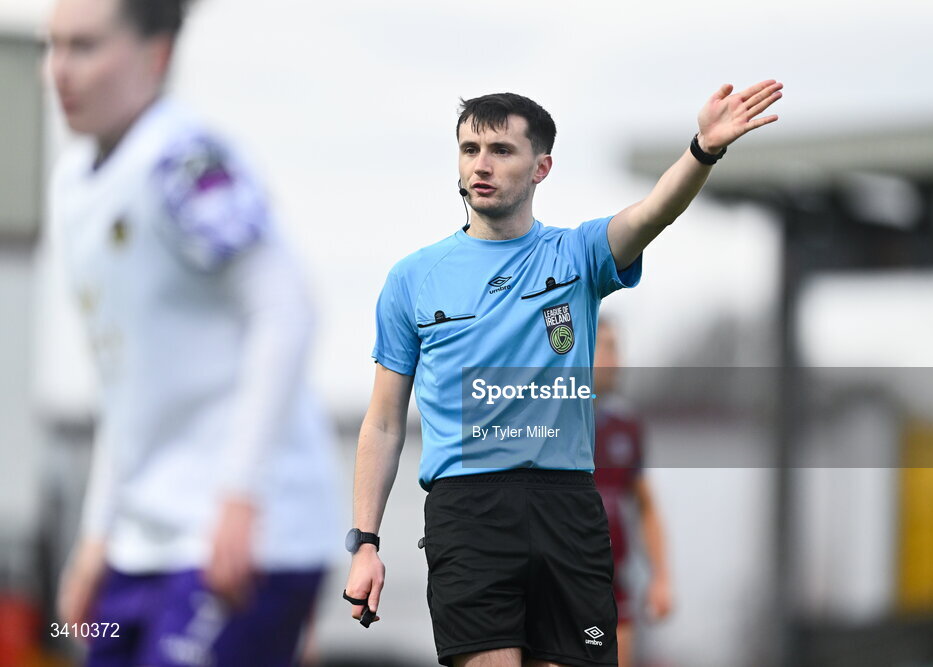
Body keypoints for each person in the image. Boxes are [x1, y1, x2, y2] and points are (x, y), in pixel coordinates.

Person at [345, 84, 782, 667]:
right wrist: (366, 542)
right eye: (469, 148)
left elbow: (654, 211)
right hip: (468, 512)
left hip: (567, 509)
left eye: (501, 149)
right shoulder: (413, 279)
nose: (481, 163)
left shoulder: (576, 256)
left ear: (541, 166)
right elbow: (382, 423)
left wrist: (702, 149)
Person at [47, 0, 340, 664]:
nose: (60, 70)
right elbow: (126, 386)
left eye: (86, 47)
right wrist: (97, 535)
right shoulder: (74, 184)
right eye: (54, 46)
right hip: (142, 542)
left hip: (242, 534)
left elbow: (286, 307)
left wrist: (241, 494)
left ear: (157, 54)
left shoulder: (182, 159)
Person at [591, 318, 672, 667]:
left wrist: (661, 578)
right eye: (606, 347)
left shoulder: (626, 423)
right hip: (561, 583)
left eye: (617, 348)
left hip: (616, 583)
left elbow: (646, 506)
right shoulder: (546, 419)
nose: (616, 359)